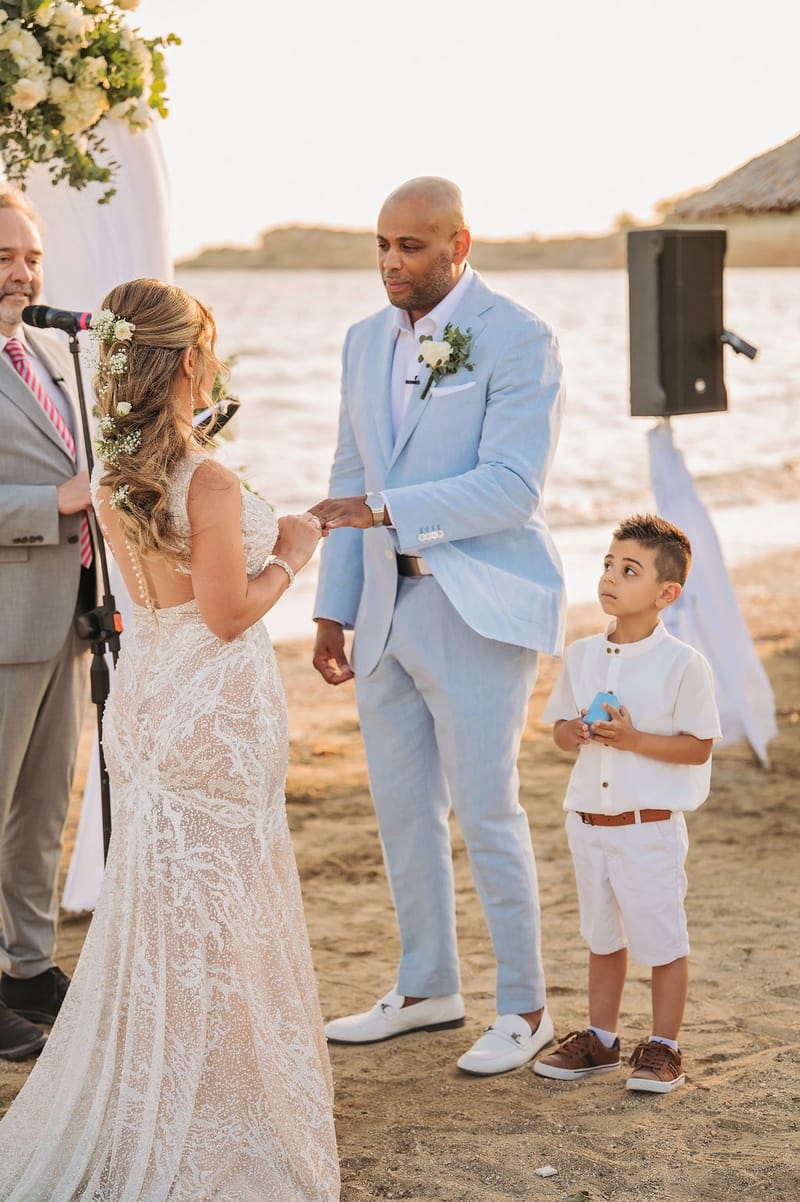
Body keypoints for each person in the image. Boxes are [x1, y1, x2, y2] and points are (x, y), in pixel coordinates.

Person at [0, 278, 340, 1201]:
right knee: (225, 914)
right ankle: (215, 1118)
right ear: (190, 361)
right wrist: (295, 550)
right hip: (213, 714)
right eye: (211, 348)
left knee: (158, 913)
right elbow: (229, 613)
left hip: (145, 701)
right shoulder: (211, 481)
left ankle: (156, 1091)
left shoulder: (114, 472)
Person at [310, 177, 566, 1076]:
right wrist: (332, 609)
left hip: (479, 606)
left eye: (411, 247)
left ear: (461, 244)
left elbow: (512, 487)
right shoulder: (360, 342)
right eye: (381, 244)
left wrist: (380, 510)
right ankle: (426, 988)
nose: (391, 262)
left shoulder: (517, 336)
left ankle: (525, 1007)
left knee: (490, 810)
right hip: (383, 605)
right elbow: (348, 466)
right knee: (400, 811)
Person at [534, 514, 721, 1093]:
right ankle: (602, 1039)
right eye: (608, 565)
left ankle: (664, 1046)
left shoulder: (683, 664)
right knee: (602, 937)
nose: (611, 577)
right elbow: (560, 730)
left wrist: (635, 739)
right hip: (589, 823)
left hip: (649, 828)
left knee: (661, 939)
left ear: (667, 593)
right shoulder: (583, 653)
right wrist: (578, 734)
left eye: (629, 570)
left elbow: (698, 747)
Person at [0, 186, 95, 1061]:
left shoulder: (50, 351)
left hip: (63, 619)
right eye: (4, 258)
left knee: (39, 813)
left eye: (30, 256)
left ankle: (24, 968)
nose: (23, 273)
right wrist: (55, 502)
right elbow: (60, 489)